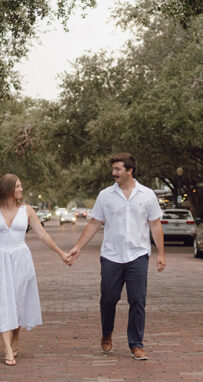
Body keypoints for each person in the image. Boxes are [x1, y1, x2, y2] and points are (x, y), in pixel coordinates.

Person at [66, 153, 165, 361]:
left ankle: (136, 344)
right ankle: (107, 332)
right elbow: (94, 223)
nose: (114, 173)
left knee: (138, 300)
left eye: (118, 169)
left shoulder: (147, 195)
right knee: (109, 299)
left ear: (130, 171)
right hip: (111, 256)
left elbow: (155, 224)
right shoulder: (105, 195)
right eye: (113, 169)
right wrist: (78, 247)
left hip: (138, 255)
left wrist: (161, 254)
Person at [0, 173, 70, 366]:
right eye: (18, 186)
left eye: (20, 186)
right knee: (2, 303)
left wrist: (61, 253)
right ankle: (7, 350)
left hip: (21, 260)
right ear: (8, 189)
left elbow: (43, 235)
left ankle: (14, 342)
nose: (21, 190)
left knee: (17, 303)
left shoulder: (27, 210)